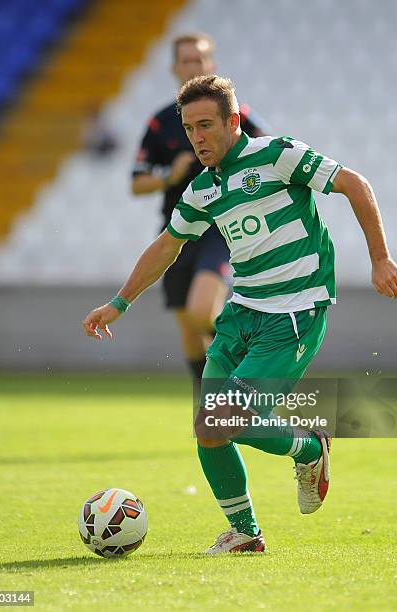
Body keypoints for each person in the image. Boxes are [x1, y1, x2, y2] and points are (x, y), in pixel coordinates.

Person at [83, 75, 397, 554]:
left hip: (293, 313)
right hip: (242, 314)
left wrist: (380, 257)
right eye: (190, 128)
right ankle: (246, 534)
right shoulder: (203, 189)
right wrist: (120, 301)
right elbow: (167, 245)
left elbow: (354, 184)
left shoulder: (277, 155)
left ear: (234, 121)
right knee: (207, 430)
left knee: (225, 419)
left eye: (207, 125)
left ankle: (311, 447)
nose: (197, 137)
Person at [132, 33, 268, 383]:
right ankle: (211, 402)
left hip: (220, 228)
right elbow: (137, 182)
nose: (193, 66)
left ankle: (255, 353)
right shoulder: (161, 122)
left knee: (200, 311)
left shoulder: (235, 116)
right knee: (191, 334)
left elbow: (263, 156)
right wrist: (168, 176)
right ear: (175, 68)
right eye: (186, 60)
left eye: (200, 60)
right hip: (177, 228)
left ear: (211, 66)